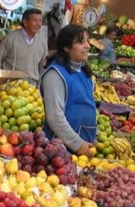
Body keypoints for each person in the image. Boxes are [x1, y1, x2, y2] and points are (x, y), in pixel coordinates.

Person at [40, 24, 96, 157]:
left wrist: (94, 136)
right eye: (81, 42)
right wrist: (78, 144)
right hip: (61, 150)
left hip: (84, 146)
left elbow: (89, 105)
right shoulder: (55, 75)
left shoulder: (83, 71)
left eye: (87, 41)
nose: (87, 46)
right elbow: (54, 117)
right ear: (66, 47)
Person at [0, 8, 48, 86]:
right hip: (10, 86)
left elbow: (42, 66)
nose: (38, 24)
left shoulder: (42, 42)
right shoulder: (11, 38)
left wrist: (38, 86)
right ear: (25, 22)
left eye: (40, 20)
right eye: (35, 20)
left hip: (31, 88)